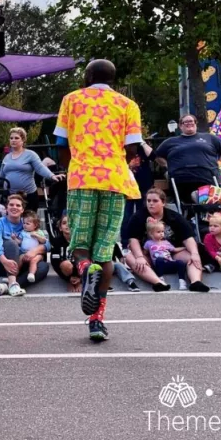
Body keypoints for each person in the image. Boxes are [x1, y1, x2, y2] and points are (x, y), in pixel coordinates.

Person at [54, 59, 145, 342]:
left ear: (87, 76)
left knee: (81, 246)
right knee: (105, 250)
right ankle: (97, 321)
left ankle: (84, 269)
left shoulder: (71, 100)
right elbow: (133, 146)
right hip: (115, 180)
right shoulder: (127, 104)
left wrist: (70, 168)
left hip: (82, 178)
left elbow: (61, 144)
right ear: (113, 78)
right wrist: (120, 162)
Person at [125, 188, 209, 292]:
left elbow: (188, 238)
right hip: (149, 255)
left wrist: (195, 253)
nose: (151, 204)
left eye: (155, 201)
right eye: (148, 201)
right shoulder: (138, 217)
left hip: (171, 254)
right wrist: (139, 257)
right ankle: (158, 283)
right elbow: (133, 240)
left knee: (192, 256)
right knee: (129, 257)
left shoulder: (174, 217)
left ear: (163, 202)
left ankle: (196, 282)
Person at [153, 114, 221, 204]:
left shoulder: (209, 138)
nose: (189, 123)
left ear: (196, 123)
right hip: (180, 180)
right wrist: (167, 166)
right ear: (180, 126)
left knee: (208, 203)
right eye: (185, 122)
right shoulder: (170, 142)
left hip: (208, 177)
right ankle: (197, 201)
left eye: (191, 121)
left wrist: (220, 163)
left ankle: (199, 199)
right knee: (187, 201)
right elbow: (157, 156)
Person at [0, 127, 62, 212]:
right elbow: (0, 176)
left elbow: (40, 167)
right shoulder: (6, 157)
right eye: (11, 138)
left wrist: (52, 175)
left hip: (28, 196)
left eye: (16, 138)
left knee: (29, 222)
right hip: (12, 196)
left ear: (23, 140)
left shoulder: (30, 154)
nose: (13, 140)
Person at [0, 194, 30, 297]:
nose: (14, 207)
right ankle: (12, 282)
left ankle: (8, 286)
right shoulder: (0, 222)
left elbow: (45, 243)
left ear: (22, 210)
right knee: (11, 243)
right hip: (0, 262)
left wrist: (35, 252)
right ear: (7, 208)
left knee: (43, 266)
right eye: (11, 205)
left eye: (18, 205)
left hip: (19, 263)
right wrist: (4, 260)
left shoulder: (27, 223)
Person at [144, 220, 188, 287]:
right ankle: (160, 278)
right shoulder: (148, 243)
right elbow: (145, 252)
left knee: (180, 262)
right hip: (158, 266)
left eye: (162, 231)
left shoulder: (166, 242)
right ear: (151, 234)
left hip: (169, 264)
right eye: (158, 232)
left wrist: (185, 248)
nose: (161, 233)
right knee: (159, 259)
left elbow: (174, 250)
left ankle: (182, 281)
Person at [20, 211, 49, 284]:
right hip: (24, 252)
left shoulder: (39, 232)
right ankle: (14, 274)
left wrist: (37, 236)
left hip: (37, 254)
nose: (25, 225)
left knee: (34, 260)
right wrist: (14, 239)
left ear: (35, 225)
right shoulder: (23, 232)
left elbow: (44, 241)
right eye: (24, 223)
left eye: (27, 224)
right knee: (20, 259)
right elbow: (19, 241)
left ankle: (31, 274)